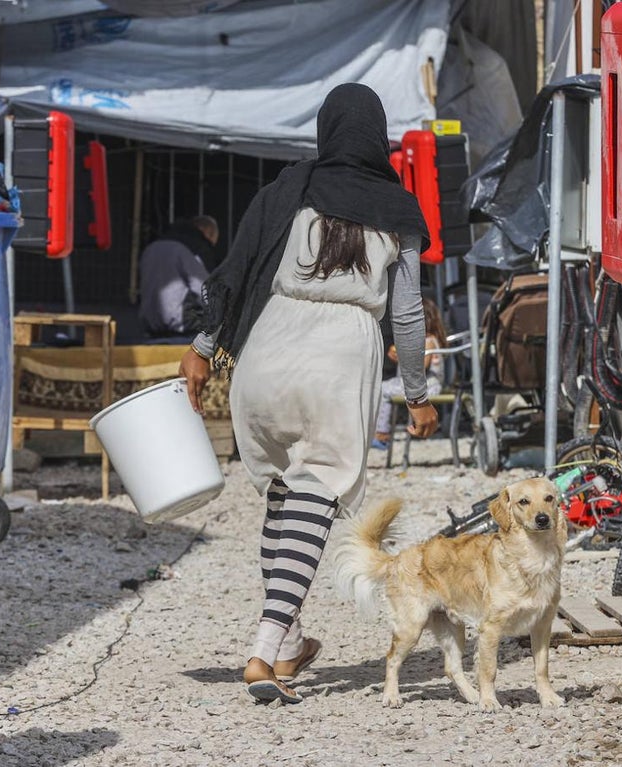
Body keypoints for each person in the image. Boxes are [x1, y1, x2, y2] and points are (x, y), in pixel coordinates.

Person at [177, 83, 438, 704]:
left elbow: (237, 269)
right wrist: (419, 394)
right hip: (338, 359)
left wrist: (204, 347)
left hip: (267, 350)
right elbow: (406, 317)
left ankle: (290, 641)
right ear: (377, 137)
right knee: (316, 496)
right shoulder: (399, 211)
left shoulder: (289, 190)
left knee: (283, 495)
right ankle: (264, 650)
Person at [372, 297, 448, 449]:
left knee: (382, 389)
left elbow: (421, 366)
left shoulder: (428, 340)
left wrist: (402, 357)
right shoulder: (431, 338)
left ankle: (381, 433)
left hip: (427, 387)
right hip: (423, 386)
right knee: (382, 387)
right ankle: (379, 431)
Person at [138, 215, 220, 339]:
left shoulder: (152, 247)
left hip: (150, 326)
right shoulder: (196, 248)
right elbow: (204, 289)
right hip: (183, 328)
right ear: (207, 233)